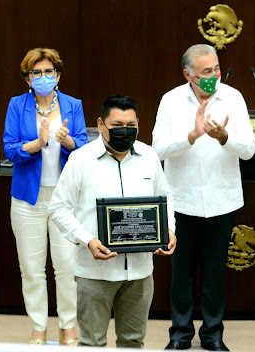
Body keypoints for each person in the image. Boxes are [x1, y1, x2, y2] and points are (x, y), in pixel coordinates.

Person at [48, 94, 177, 348]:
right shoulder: (81, 159)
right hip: (95, 271)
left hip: (140, 271)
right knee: (92, 342)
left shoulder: (149, 156)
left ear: (139, 124)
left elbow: (165, 197)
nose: (125, 131)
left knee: (133, 341)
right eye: (117, 126)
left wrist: (168, 228)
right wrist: (88, 240)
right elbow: (59, 207)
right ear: (101, 124)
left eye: (131, 126)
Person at [153, 44, 255, 352]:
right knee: (181, 274)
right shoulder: (171, 101)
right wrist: (192, 136)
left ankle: (213, 334)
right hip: (181, 202)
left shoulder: (233, 98)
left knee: (214, 273)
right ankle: (180, 334)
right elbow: (156, 149)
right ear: (188, 74)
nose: (214, 75)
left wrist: (225, 138)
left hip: (222, 201)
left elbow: (249, 150)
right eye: (206, 72)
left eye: (217, 68)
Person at [3, 48, 87, 345]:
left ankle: (68, 326)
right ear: (27, 79)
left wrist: (69, 141)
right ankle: (38, 327)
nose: (42, 77)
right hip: (29, 198)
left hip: (65, 199)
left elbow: (84, 147)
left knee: (66, 266)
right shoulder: (17, 105)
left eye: (48, 72)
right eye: (35, 73)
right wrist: (37, 143)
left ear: (58, 75)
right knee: (32, 268)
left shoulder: (72, 105)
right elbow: (10, 149)